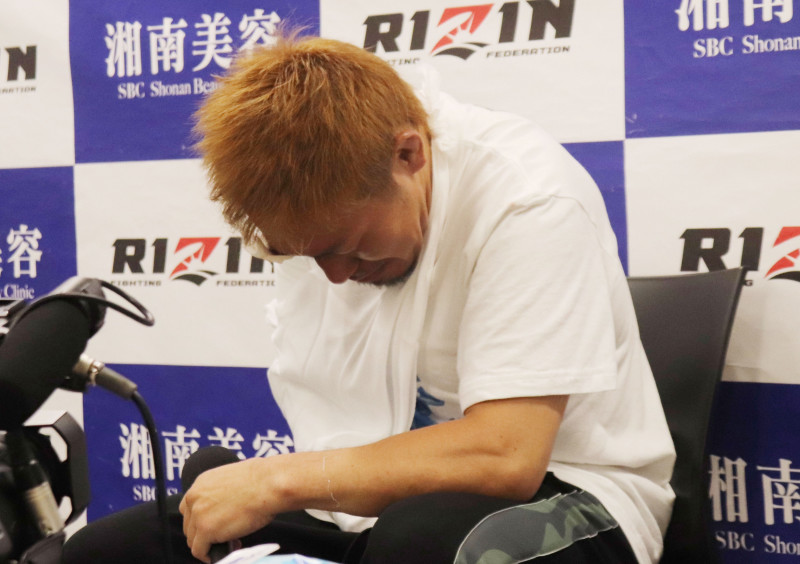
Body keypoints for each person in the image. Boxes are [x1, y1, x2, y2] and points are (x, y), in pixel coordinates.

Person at [62, 32, 675, 564]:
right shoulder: (318, 215)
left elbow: (506, 456)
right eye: (308, 255)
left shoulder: (528, 198)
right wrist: (273, 486)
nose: (334, 276)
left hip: (575, 493)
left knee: (420, 541)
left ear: (409, 154)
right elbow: (342, 445)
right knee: (111, 551)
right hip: (379, 507)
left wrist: (278, 479)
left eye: (348, 249)